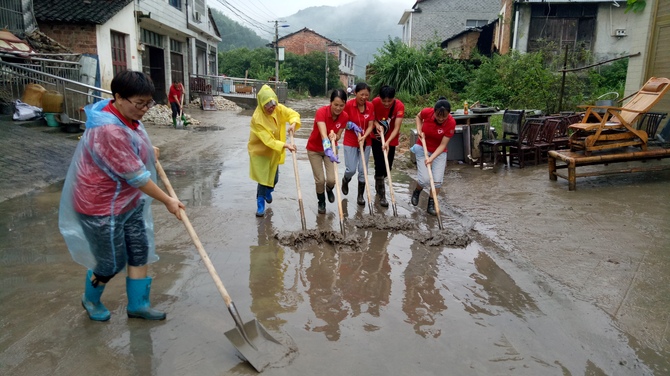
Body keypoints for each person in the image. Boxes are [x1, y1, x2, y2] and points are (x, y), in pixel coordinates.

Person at [59, 70, 185, 322]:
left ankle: (138, 305)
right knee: (110, 263)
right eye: (139, 103)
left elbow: (132, 145)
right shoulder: (108, 130)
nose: (145, 109)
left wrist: (147, 150)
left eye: (148, 102)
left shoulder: (124, 115)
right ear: (118, 97)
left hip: (128, 201)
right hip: (100, 206)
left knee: (139, 250)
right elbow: (136, 177)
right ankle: (91, 299)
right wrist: (168, 200)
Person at [248, 84, 300, 217]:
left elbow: (291, 113)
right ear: (261, 104)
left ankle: (268, 192)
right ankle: (260, 205)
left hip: (274, 150)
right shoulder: (257, 118)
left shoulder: (277, 109)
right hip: (260, 151)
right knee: (263, 179)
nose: (272, 108)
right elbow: (268, 140)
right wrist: (286, 145)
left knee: (274, 179)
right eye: (268, 105)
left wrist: (293, 123)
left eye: (273, 104)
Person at [410, 97, 456, 215]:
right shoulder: (427, 112)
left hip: (438, 152)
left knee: (437, 182)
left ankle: (431, 204)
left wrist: (431, 158)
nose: (440, 119)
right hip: (422, 147)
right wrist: (419, 130)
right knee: (424, 179)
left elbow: (443, 145)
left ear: (448, 114)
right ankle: (417, 191)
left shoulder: (451, 123)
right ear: (434, 111)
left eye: (443, 116)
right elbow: (418, 117)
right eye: (438, 115)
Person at [306, 89, 349, 214]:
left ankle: (329, 189)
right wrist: (327, 144)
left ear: (345, 104)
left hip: (331, 149)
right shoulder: (321, 112)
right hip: (314, 149)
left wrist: (335, 137)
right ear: (330, 102)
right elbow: (323, 134)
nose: (338, 108)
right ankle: (321, 201)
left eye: (341, 105)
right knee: (320, 180)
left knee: (331, 180)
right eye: (335, 105)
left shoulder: (345, 116)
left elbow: (339, 135)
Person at [371, 85, 405, 207]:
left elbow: (397, 128)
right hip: (376, 138)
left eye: (389, 101)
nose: (386, 103)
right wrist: (376, 124)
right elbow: (372, 118)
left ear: (393, 98)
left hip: (391, 140)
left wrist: (388, 142)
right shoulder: (374, 102)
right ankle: (382, 195)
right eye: (383, 100)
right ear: (379, 98)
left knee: (387, 168)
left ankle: (379, 180)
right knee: (379, 164)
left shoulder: (399, 106)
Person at [342, 82, 374, 206]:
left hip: (366, 141)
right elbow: (342, 121)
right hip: (350, 140)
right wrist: (351, 126)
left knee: (363, 170)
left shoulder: (370, 106)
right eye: (362, 95)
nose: (364, 98)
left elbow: (371, 124)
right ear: (355, 93)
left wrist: (365, 136)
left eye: (367, 95)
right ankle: (345, 180)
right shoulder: (348, 105)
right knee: (351, 169)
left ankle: (360, 196)